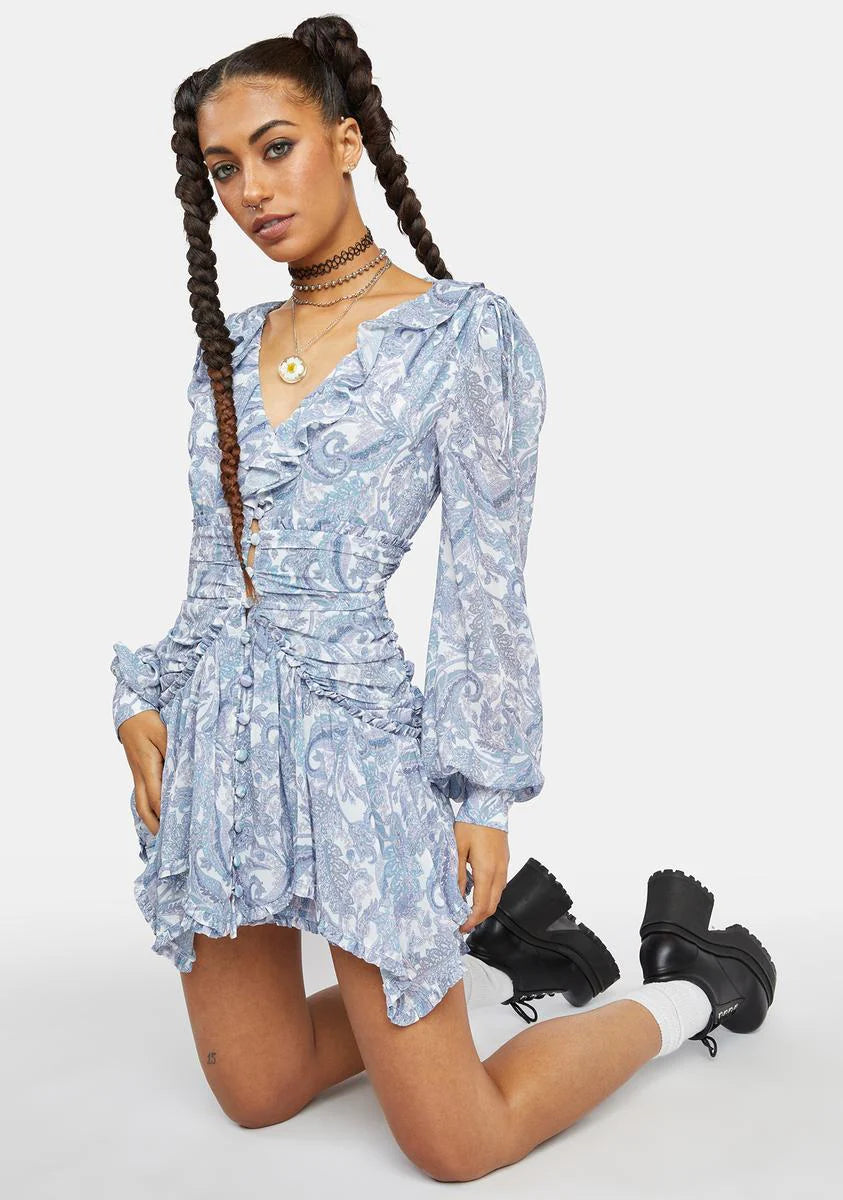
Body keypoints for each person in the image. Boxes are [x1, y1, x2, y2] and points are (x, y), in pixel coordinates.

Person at [110, 15, 777, 1181]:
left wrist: (480, 793)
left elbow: (483, 583)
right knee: (258, 1094)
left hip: (356, 751)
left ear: (346, 141)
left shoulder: (463, 337)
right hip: (219, 748)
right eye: (223, 168)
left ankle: (693, 985)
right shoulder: (227, 348)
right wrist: (144, 702)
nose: (251, 190)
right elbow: (216, 572)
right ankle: (517, 957)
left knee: (457, 1145)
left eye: (276, 148)